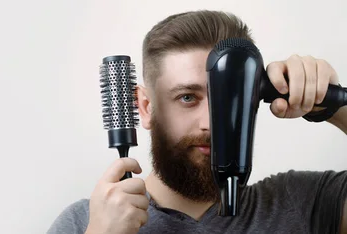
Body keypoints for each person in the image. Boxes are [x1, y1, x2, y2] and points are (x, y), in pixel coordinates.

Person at [47, 10, 347, 234]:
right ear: (147, 107)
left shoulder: (305, 203)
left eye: (227, 98)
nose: (209, 124)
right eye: (188, 98)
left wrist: (330, 106)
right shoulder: (83, 223)